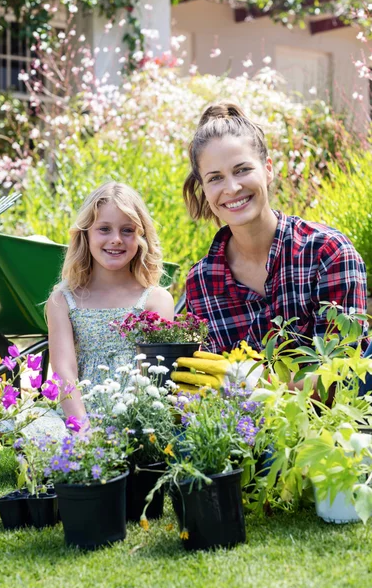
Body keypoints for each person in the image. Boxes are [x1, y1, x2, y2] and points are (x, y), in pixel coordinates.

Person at [183, 101, 368, 355]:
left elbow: (344, 370)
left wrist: (248, 382)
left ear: (268, 169)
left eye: (242, 170)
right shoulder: (201, 283)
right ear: (203, 188)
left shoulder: (328, 253)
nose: (232, 188)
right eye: (215, 178)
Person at [47, 181, 174, 423]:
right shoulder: (63, 300)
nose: (116, 239)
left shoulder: (156, 301)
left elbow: (153, 375)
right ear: (86, 234)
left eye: (127, 230)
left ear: (141, 237)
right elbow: (64, 370)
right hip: (79, 417)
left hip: (139, 421)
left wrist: (128, 428)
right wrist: (83, 430)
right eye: (104, 229)